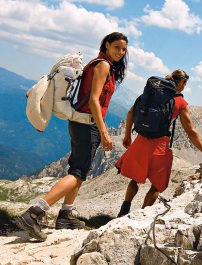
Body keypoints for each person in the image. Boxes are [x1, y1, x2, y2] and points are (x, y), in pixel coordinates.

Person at [15, 32, 128, 241]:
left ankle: (66, 214)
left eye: (123, 49)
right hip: (88, 125)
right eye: (117, 47)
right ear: (107, 45)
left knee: (79, 170)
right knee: (77, 173)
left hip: (78, 122)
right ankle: (34, 213)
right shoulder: (103, 65)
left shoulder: (96, 63)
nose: (121, 52)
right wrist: (104, 132)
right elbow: (94, 100)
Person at [115, 69, 202, 217]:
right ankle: (140, 215)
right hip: (160, 146)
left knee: (135, 179)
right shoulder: (180, 102)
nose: (184, 87)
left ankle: (125, 208)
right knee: (157, 185)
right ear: (182, 82)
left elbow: (131, 113)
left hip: (141, 141)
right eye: (185, 84)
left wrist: (127, 136)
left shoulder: (151, 93)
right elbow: (191, 131)